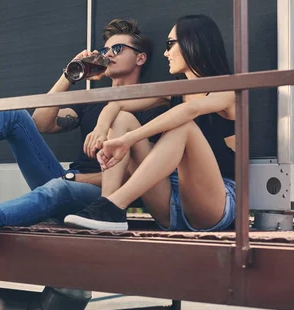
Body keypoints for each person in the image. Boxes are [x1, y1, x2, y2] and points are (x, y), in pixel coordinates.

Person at [0, 19, 167, 247]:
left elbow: (143, 171)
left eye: (118, 48)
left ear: (140, 58)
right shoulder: (91, 101)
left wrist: (77, 178)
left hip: (104, 199)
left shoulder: (149, 103)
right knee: (15, 116)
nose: (108, 54)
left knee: (56, 188)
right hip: (67, 181)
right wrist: (70, 75)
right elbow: (40, 122)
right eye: (105, 48)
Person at [64, 14, 236, 232]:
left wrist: (128, 140)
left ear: (193, 42)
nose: (165, 53)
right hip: (170, 202)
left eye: (170, 44)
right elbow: (116, 106)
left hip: (216, 203)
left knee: (184, 126)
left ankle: (115, 204)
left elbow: (189, 110)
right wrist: (100, 129)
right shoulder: (173, 92)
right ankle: (107, 210)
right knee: (123, 119)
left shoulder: (228, 90)